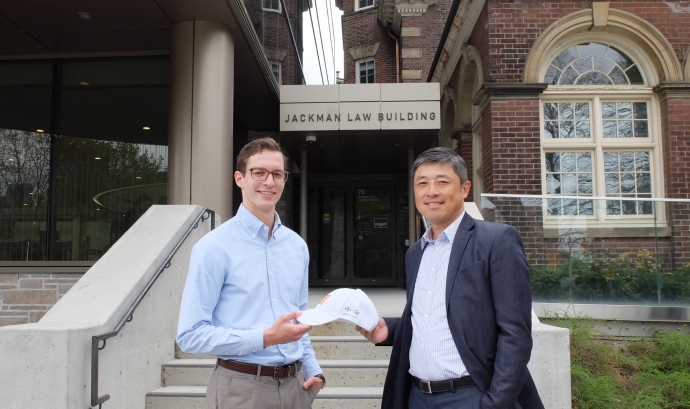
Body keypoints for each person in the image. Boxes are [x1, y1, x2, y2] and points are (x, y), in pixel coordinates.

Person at [357, 147, 544, 409]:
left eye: (442, 182)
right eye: (422, 183)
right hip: (417, 396)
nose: (431, 191)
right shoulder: (415, 254)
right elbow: (434, 318)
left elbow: (515, 334)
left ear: (465, 189)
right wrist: (389, 329)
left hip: (472, 395)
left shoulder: (496, 240)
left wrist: (496, 403)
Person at [177, 137, 325, 409]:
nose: (269, 182)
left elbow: (298, 321)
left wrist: (313, 369)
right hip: (242, 390)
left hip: (296, 387)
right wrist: (266, 337)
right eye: (259, 172)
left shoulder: (297, 246)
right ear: (239, 178)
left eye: (277, 174)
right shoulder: (213, 247)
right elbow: (190, 335)